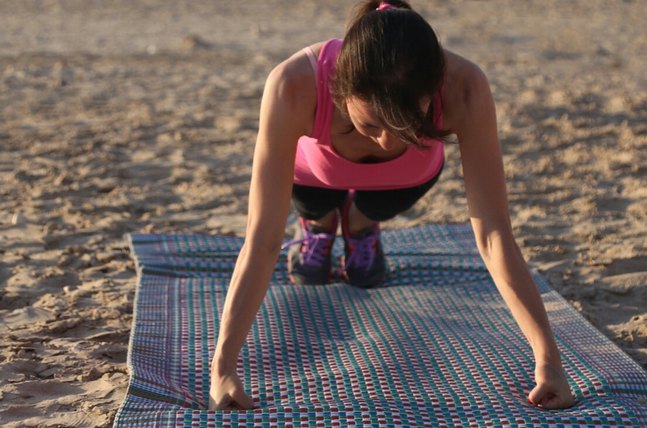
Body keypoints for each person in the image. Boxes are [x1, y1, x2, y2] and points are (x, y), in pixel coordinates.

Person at [209, 0, 575, 411]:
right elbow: (262, 240)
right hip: (313, 179)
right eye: (367, 125)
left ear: (433, 91)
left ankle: (361, 223)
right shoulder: (293, 84)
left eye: (405, 125)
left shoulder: (464, 86)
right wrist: (223, 367)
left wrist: (548, 360)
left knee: (368, 226)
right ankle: (320, 223)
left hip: (401, 183)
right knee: (314, 227)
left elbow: (492, 234)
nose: (386, 142)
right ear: (339, 88)